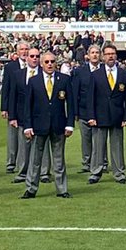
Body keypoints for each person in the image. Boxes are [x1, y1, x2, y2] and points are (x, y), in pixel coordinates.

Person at [19, 51, 75, 199]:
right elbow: (27, 106)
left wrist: (70, 124)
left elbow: (71, 104)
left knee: (59, 160)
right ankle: (31, 188)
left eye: (52, 61)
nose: (50, 64)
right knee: (35, 160)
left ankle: (62, 189)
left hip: (58, 125)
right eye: (47, 62)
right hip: (38, 126)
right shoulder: (33, 81)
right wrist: (27, 126)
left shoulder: (64, 79)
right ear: (41, 64)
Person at [85, 44, 126, 185]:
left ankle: (119, 173)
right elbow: (90, 98)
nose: (110, 56)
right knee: (98, 146)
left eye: (113, 53)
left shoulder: (124, 74)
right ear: (103, 56)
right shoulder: (95, 75)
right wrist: (91, 116)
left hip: (117, 116)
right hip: (99, 116)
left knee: (117, 146)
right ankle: (95, 172)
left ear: (116, 55)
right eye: (107, 54)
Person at [8, 46, 49, 184]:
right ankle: (23, 172)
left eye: (37, 56)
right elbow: (12, 95)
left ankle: (44, 173)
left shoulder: (45, 74)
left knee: (43, 144)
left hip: (41, 115)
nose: (34, 59)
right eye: (32, 56)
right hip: (21, 115)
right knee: (24, 145)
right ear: (26, 58)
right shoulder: (18, 74)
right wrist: (12, 116)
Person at [0, 41, 29, 174]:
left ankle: (24, 162)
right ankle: (11, 163)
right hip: (13, 105)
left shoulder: (34, 65)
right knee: (13, 137)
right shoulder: (10, 67)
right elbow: (6, 88)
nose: (24, 52)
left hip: (28, 106)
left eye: (26, 49)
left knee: (25, 136)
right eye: (22, 49)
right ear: (17, 52)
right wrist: (4, 108)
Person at [72, 45, 102, 174]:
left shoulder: (106, 70)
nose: (95, 55)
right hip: (83, 110)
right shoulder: (80, 71)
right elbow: (75, 92)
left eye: (97, 52)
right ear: (88, 55)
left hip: (100, 111)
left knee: (100, 139)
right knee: (86, 139)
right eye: (93, 53)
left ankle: (102, 162)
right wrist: (75, 112)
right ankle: (86, 163)